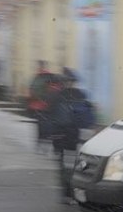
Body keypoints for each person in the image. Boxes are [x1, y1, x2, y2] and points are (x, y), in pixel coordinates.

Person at [46, 67, 89, 204]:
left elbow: (50, 117)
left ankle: (69, 194)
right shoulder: (75, 95)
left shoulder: (58, 96)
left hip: (67, 136)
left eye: (69, 81)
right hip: (67, 136)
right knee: (68, 167)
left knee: (68, 167)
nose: (68, 84)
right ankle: (69, 194)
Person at [27, 60, 54, 153]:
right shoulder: (48, 76)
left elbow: (31, 90)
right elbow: (52, 91)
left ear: (41, 66)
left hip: (39, 106)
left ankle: (40, 144)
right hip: (45, 106)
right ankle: (44, 144)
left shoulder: (38, 77)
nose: (37, 67)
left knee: (40, 126)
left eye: (38, 66)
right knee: (45, 125)